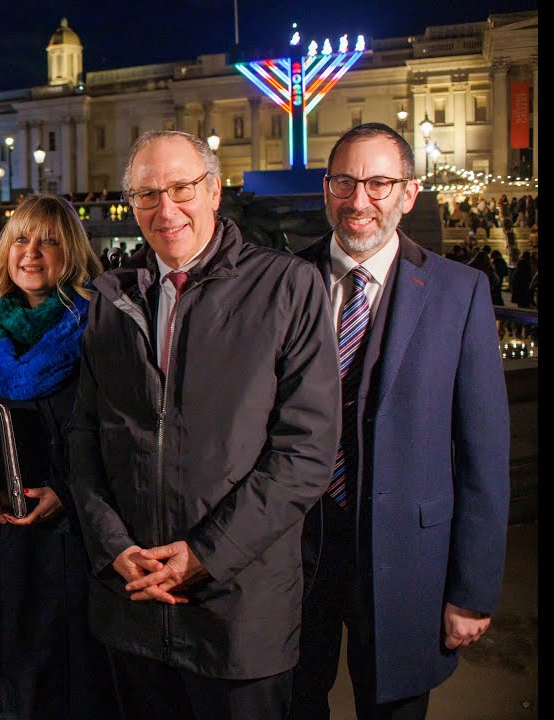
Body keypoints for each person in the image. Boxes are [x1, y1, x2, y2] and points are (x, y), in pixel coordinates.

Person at [64, 130, 341, 719]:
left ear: (215, 190)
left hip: (238, 614)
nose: (166, 210)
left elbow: (306, 453)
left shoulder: (287, 287)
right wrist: (113, 547)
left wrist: (205, 556)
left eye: (182, 188)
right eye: (146, 195)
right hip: (132, 606)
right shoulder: (110, 299)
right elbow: (86, 437)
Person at [291, 123, 510, 720]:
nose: (359, 201)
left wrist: (471, 591)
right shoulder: (281, 281)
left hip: (405, 561)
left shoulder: (458, 291)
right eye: (344, 182)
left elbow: (483, 455)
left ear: (409, 194)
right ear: (326, 188)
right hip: (292, 557)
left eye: (380, 183)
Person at [0, 194, 114, 720]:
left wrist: (65, 492)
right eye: (21, 238)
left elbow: (117, 433)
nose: (32, 252)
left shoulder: (100, 329)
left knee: (68, 684)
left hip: (73, 540)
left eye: (50, 241)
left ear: (74, 253)